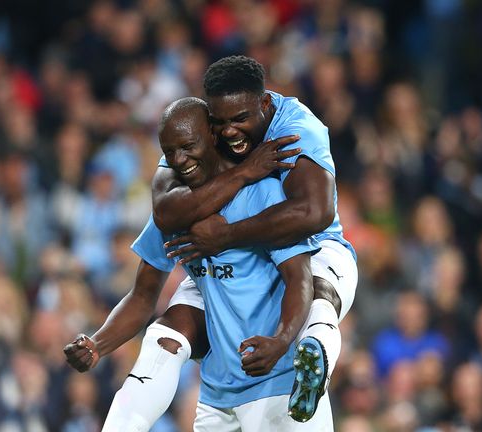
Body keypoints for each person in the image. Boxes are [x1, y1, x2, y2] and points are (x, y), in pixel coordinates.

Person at [69, 55, 358, 426]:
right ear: (209, 127)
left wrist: (228, 234)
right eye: (221, 123)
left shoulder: (290, 142)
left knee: (319, 293)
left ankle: (314, 352)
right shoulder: (187, 163)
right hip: (220, 386)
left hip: (315, 249)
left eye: (240, 119)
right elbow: (150, 265)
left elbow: (313, 215)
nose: (231, 131)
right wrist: (98, 344)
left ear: (264, 104)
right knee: (167, 331)